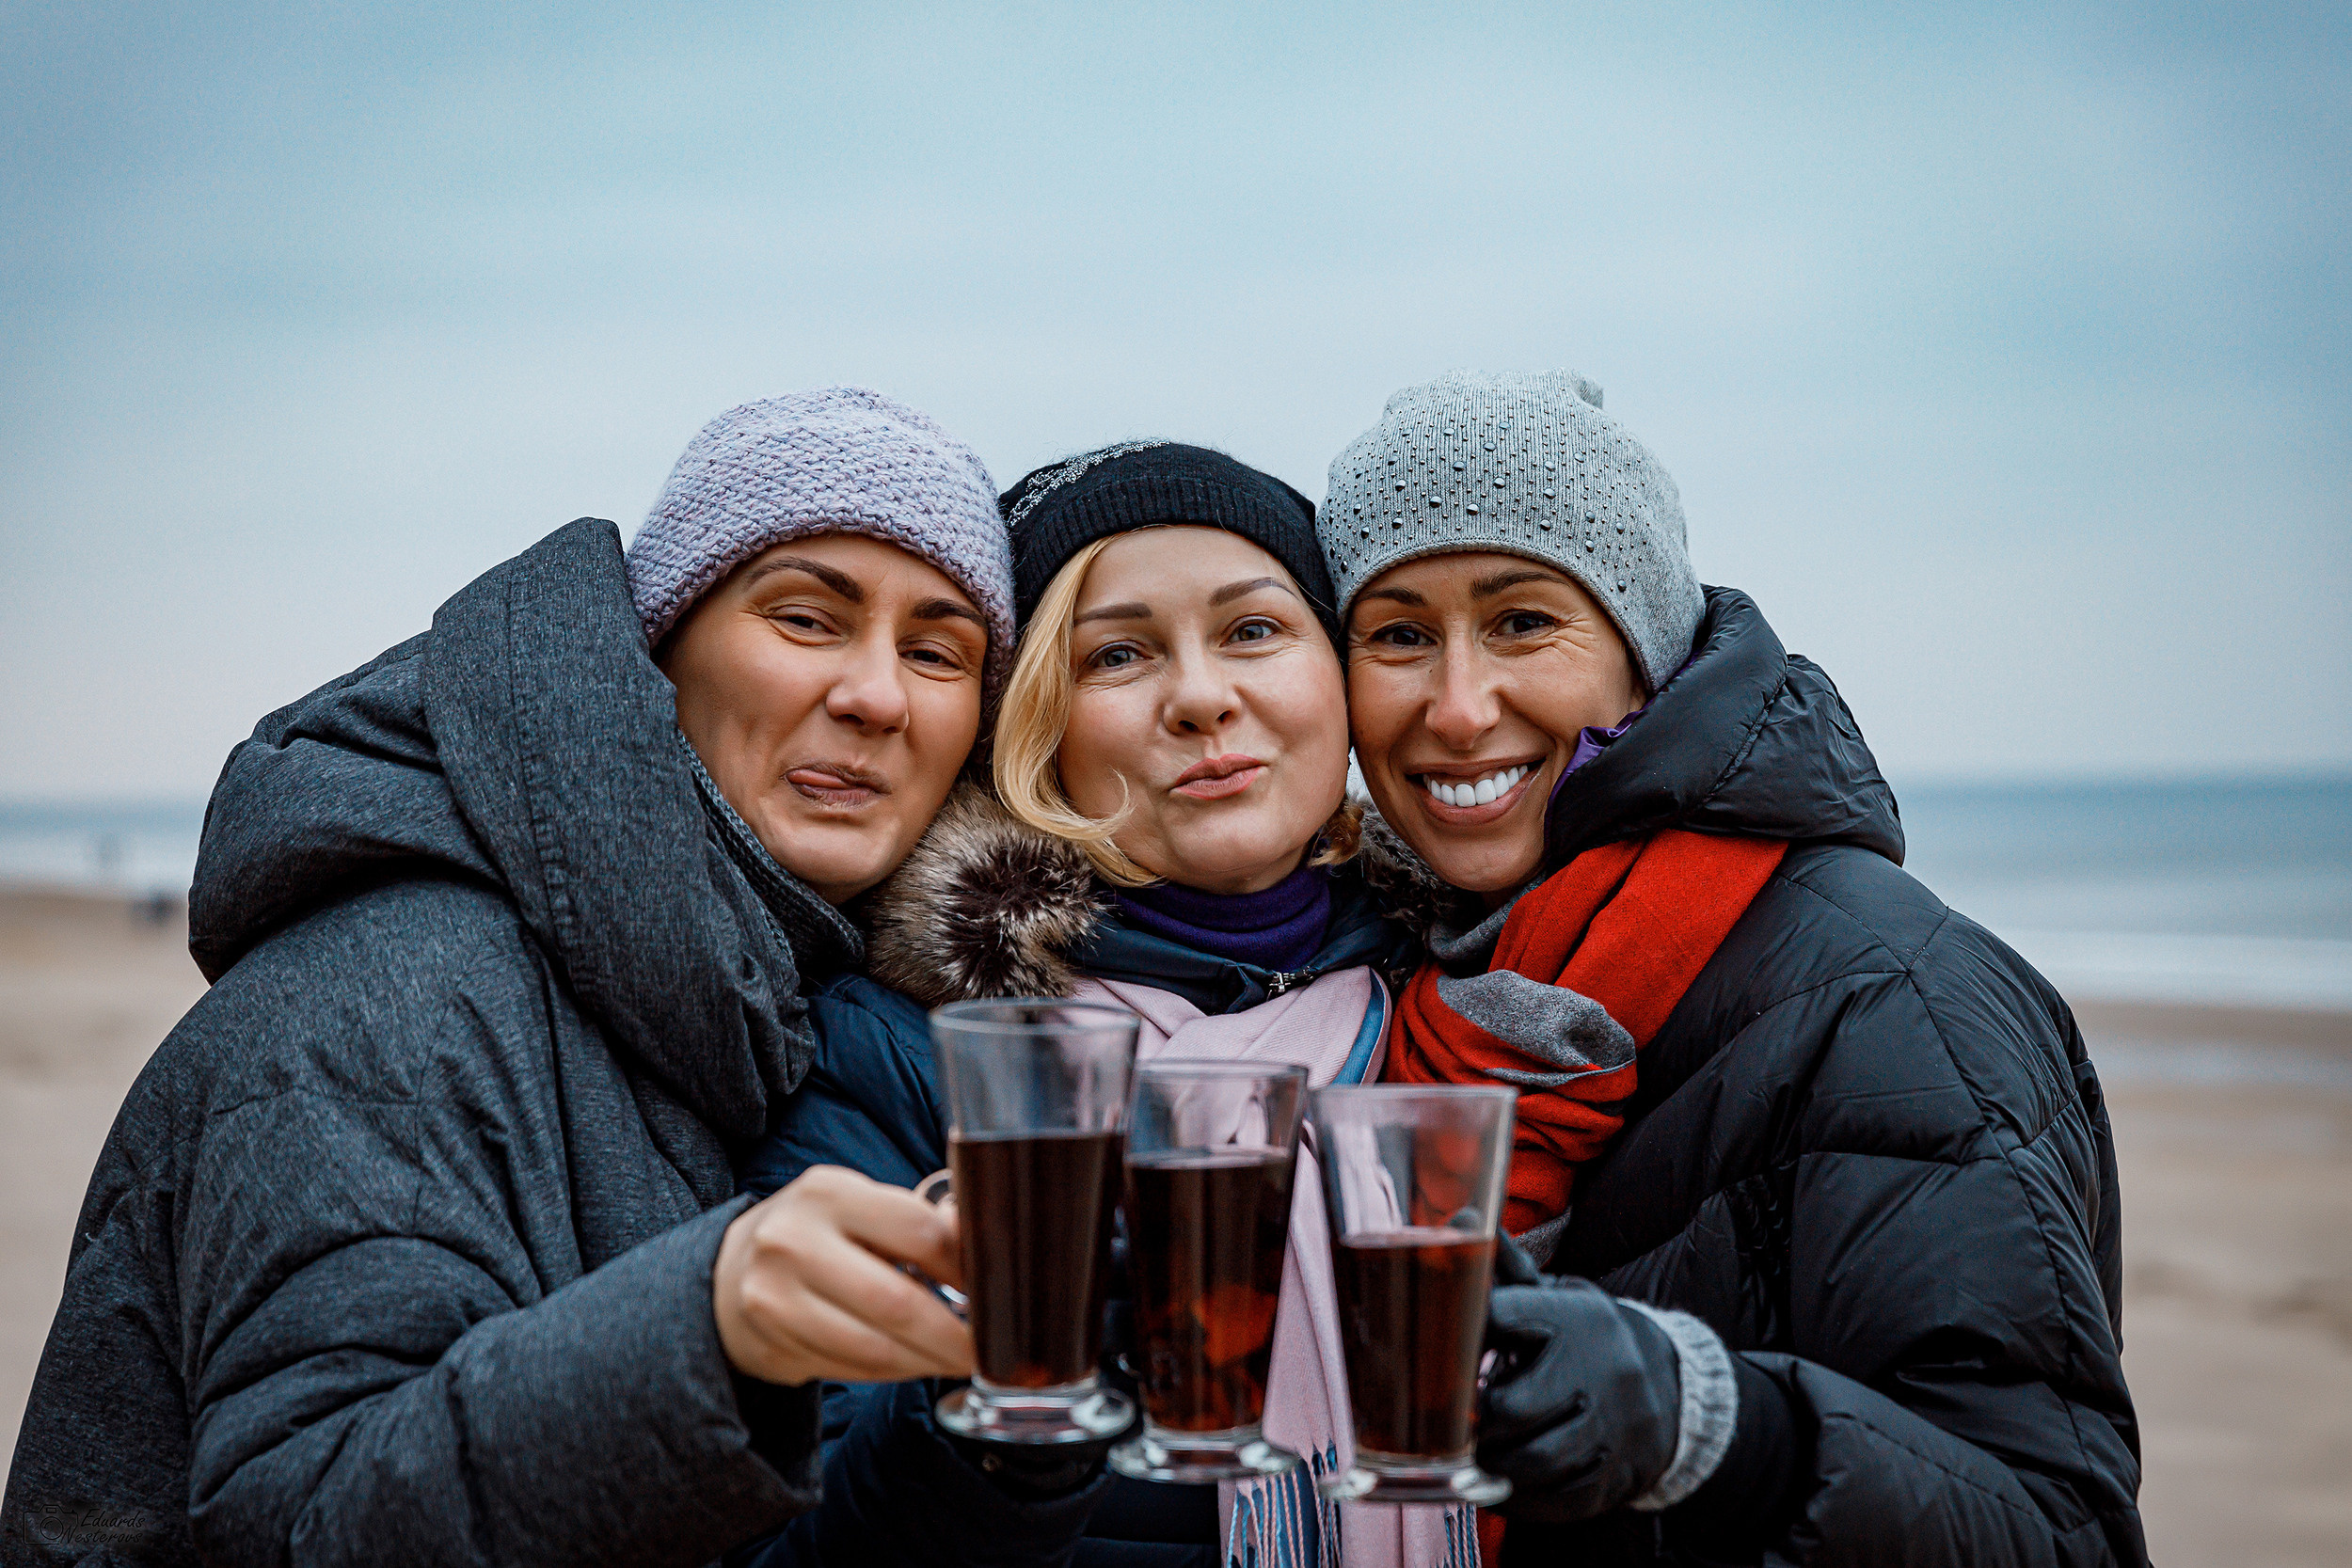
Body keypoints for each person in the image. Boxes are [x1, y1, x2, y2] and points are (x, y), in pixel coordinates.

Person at [1, 389, 1016, 1567]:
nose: (876, 694)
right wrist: (703, 1329)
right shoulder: (390, 1000)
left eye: (936, 650)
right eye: (803, 617)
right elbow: (305, 1520)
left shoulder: (727, 998)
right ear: (655, 646)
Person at [1317, 371, 2147, 1565]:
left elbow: (2058, 1529)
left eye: (1521, 621)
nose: (1456, 706)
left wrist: (1717, 1428)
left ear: (1641, 653)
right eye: (1398, 634)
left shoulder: (1894, 996)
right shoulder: (1393, 983)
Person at [739, 443, 1444, 1567]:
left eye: (1255, 629)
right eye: (1117, 653)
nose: (1204, 696)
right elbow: (797, 1534)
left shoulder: (1475, 1003)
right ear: (1032, 731)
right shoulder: (911, 1056)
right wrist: (1003, 1397)